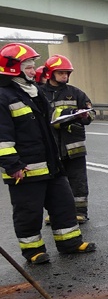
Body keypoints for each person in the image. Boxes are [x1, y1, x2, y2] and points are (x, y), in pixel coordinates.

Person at [0, 43, 96, 264]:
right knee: (28, 213)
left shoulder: (33, 92)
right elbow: (2, 137)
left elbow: (52, 115)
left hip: (52, 164)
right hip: (25, 170)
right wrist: (13, 165)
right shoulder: (4, 96)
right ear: (14, 68)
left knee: (63, 205)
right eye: (30, 67)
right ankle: (33, 252)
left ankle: (70, 243)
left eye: (34, 67)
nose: (35, 71)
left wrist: (73, 114)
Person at [41, 55, 94, 223]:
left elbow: (91, 112)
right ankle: (56, 212)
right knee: (54, 183)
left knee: (78, 181)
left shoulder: (76, 93)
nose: (65, 76)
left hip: (74, 146)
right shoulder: (39, 93)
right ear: (51, 73)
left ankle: (80, 212)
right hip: (51, 147)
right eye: (61, 72)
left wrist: (85, 116)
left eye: (67, 73)